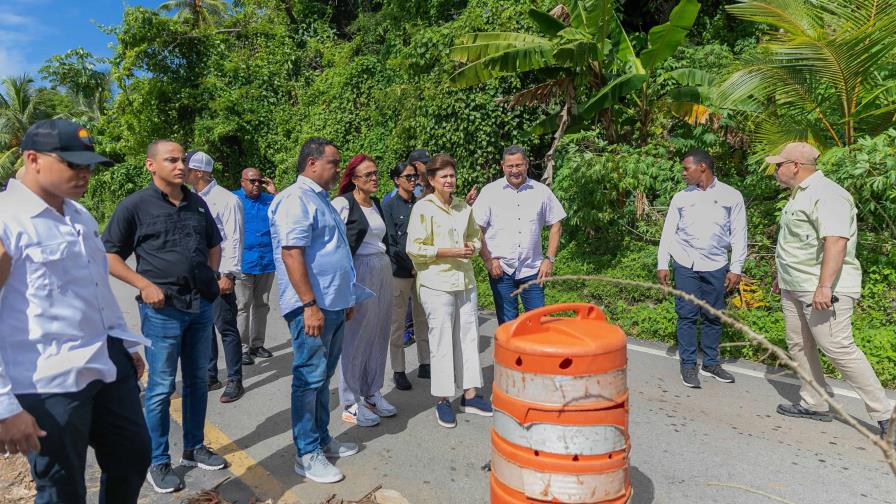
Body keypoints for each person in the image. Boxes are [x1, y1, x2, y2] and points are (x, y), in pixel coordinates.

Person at [0, 119, 151, 503]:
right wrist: (5, 407)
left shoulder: (79, 217)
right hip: (48, 382)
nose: (84, 172)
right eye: (72, 163)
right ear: (32, 159)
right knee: (63, 488)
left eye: (88, 164)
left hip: (104, 362)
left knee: (132, 458)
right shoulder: (7, 221)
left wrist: (122, 343)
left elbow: (96, 289)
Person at [103, 139, 227, 494]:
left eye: (183, 159)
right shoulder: (135, 207)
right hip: (162, 312)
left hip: (200, 306)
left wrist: (211, 275)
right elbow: (109, 256)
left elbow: (214, 243)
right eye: (171, 159)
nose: (180, 165)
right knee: (160, 388)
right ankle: (157, 460)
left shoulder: (195, 203)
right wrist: (143, 284)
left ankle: (194, 446)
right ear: (151, 165)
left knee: (197, 381)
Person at [768, 142, 894, 438]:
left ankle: (886, 415)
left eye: (779, 165)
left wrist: (824, 286)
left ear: (795, 166)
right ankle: (815, 402)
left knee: (838, 348)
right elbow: (798, 243)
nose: (775, 170)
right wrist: (781, 276)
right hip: (795, 284)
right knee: (799, 344)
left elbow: (835, 241)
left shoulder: (828, 194)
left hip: (822, 288)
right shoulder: (799, 195)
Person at [269, 137, 368, 483]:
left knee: (322, 378)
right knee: (309, 378)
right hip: (312, 307)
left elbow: (333, 254)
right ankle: (306, 453)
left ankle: (322, 440)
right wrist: (310, 305)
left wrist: (347, 298)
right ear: (312, 163)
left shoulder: (320, 200)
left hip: (334, 305)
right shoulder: (295, 200)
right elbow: (291, 253)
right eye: (334, 162)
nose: (339, 168)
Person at [406, 153, 492, 429]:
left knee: (468, 336)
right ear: (431, 180)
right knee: (441, 340)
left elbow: (475, 237)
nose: (449, 180)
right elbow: (414, 248)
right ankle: (443, 399)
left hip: (464, 281)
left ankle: (470, 394)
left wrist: (472, 249)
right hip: (435, 283)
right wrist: (448, 251)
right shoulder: (423, 208)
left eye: (452, 175)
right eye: (443, 176)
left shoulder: (462, 208)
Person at [657, 149, 747, 389]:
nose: (683, 173)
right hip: (685, 263)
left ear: (703, 168)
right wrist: (662, 263)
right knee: (686, 314)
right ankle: (688, 365)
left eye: (687, 169)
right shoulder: (681, 198)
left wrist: (736, 268)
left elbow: (739, 234)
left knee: (713, 315)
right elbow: (668, 232)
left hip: (716, 264)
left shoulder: (732, 196)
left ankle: (710, 363)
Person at [331, 154, 397, 427]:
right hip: (359, 270)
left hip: (382, 269)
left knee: (379, 333)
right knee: (356, 336)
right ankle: (350, 401)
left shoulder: (377, 204)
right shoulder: (342, 204)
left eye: (375, 173)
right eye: (368, 174)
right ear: (354, 179)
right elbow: (334, 246)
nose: (374, 178)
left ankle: (372, 391)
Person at [473, 145, 566, 325]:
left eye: (519, 165)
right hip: (501, 270)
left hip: (533, 270)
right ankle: (513, 355)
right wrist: (488, 260)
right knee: (508, 325)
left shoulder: (541, 192)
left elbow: (556, 224)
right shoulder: (490, 192)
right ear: (502, 166)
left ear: (526, 164)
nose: (515, 170)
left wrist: (549, 259)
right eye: (510, 166)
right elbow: (477, 229)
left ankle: (535, 354)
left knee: (538, 322)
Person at [185, 151, 245, 403]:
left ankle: (234, 379)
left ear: (198, 172)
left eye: (186, 167)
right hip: (198, 274)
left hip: (220, 273)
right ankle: (210, 374)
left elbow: (234, 238)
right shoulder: (189, 199)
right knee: (203, 327)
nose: (181, 171)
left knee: (226, 326)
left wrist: (229, 274)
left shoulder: (226, 199)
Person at [383, 162, 431, 391]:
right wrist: (410, 266)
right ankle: (399, 370)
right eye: (408, 177)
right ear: (396, 180)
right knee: (398, 323)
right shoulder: (389, 206)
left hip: (421, 271)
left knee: (423, 319)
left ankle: (425, 362)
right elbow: (391, 243)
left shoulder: (421, 205)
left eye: (415, 177)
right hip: (401, 272)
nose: (413, 180)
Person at [234, 167, 278, 365]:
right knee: (243, 306)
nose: (256, 185)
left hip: (266, 260)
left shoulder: (269, 200)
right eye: (252, 181)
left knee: (262, 305)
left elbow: (287, 212)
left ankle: (257, 344)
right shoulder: (234, 200)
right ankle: (241, 348)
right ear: (242, 182)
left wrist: (274, 192)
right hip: (243, 261)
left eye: (259, 181)